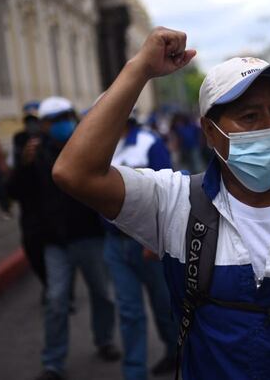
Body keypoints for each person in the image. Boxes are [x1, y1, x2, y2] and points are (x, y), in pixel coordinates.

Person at [52, 27, 270, 380]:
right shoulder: (176, 204)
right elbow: (75, 173)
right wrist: (139, 69)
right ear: (210, 131)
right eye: (250, 117)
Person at [9, 96, 120, 380]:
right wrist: (24, 165)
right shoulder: (34, 155)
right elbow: (15, 192)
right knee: (57, 300)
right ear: (44, 125)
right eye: (55, 121)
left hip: (90, 236)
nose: (63, 125)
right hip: (55, 241)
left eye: (66, 118)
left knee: (103, 295)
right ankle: (53, 362)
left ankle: (104, 340)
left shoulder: (85, 147)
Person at [103, 115, 179, 379]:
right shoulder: (103, 145)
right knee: (128, 310)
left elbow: (167, 193)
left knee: (164, 305)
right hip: (115, 244)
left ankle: (176, 354)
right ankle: (134, 372)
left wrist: (157, 237)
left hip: (147, 243)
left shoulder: (149, 143)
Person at [7, 102, 47, 290]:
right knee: (35, 254)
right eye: (29, 121)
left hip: (53, 217)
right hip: (31, 217)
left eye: (36, 121)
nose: (32, 126)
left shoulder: (51, 142)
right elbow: (13, 189)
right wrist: (24, 163)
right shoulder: (19, 141)